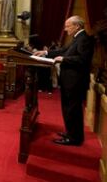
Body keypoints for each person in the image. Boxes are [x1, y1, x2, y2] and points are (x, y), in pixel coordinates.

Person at [34, 16, 94, 146]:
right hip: (69, 81)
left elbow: (83, 59)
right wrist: (45, 53)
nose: (65, 29)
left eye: (68, 26)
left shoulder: (84, 39)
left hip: (75, 81)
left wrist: (64, 59)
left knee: (73, 109)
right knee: (68, 108)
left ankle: (74, 138)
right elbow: (63, 51)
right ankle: (70, 132)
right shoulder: (76, 38)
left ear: (77, 26)